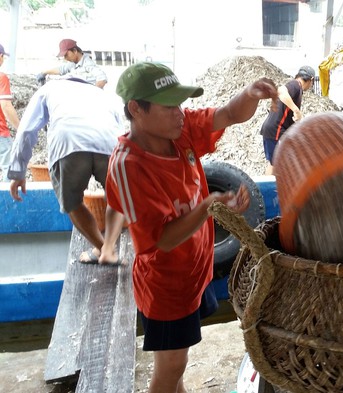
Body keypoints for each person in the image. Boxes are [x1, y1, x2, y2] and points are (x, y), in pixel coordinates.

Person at [108, 61, 277, 392]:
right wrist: (208, 206)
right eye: (168, 106)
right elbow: (162, 241)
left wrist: (250, 94)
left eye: (180, 104)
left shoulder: (178, 133)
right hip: (166, 287)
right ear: (135, 109)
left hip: (194, 275)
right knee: (170, 367)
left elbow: (228, 113)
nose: (179, 113)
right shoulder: (128, 167)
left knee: (177, 367)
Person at [6, 78, 125, 265]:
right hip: (109, 142)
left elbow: (27, 130)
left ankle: (103, 249)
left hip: (68, 143)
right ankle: (108, 248)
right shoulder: (102, 94)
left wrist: (18, 171)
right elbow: (121, 127)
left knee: (72, 203)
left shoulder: (50, 88)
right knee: (117, 198)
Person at [260, 65, 315, 175]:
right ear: (311, 80)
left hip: (272, 130)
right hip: (277, 130)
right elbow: (280, 91)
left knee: (273, 164)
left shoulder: (297, 90)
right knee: (279, 165)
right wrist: (296, 110)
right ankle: (271, 190)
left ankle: (266, 190)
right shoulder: (295, 85)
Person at [36, 39, 108, 89]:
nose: (65, 58)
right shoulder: (73, 63)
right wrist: (44, 72)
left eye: (66, 55)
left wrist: (95, 93)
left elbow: (102, 78)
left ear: (74, 51)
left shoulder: (87, 64)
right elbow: (61, 70)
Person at [0, 43, 19, 182]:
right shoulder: (1, 77)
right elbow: (6, 105)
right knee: (9, 167)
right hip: (0, 132)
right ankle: (7, 203)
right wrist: (21, 127)